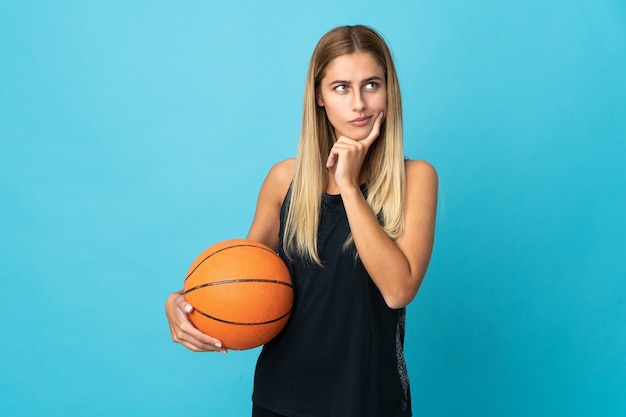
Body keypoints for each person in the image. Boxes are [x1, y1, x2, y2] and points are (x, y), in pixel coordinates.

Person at [165, 24, 438, 417]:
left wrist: (348, 185)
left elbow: (397, 290)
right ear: (319, 97)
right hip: (281, 401)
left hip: (370, 401)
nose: (359, 103)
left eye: (372, 85)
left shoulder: (415, 179)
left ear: (389, 91)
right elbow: (239, 283)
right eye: (341, 87)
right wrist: (180, 303)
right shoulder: (284, 180)